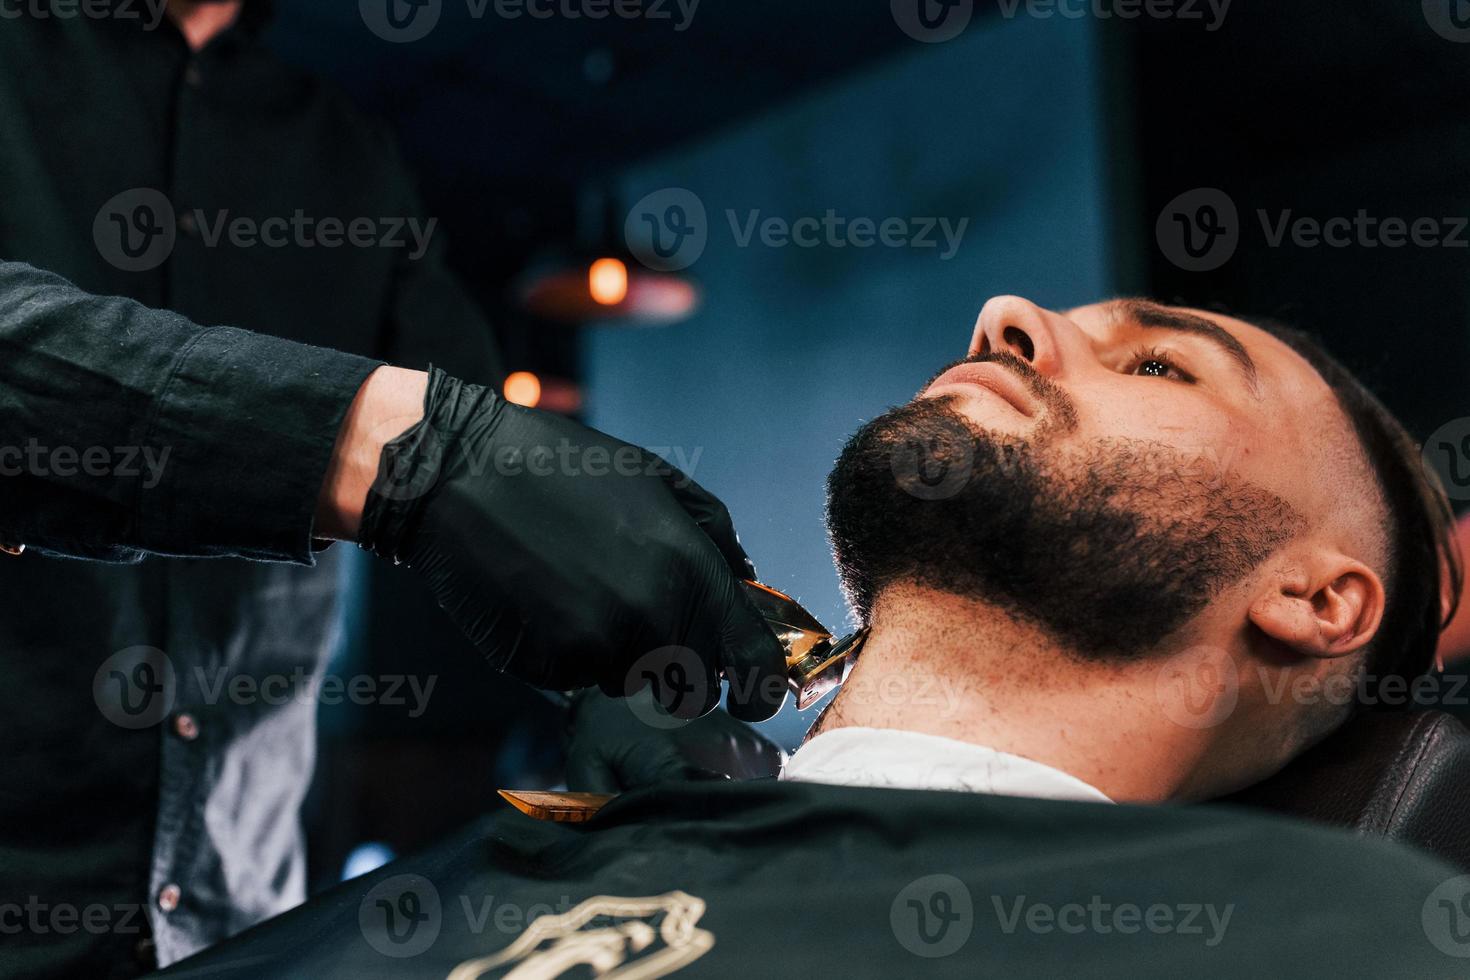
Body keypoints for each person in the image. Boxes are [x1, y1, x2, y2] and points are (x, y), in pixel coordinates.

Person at [150, 296, 1469, 976]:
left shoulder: (1328, 936)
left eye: (1157, 365)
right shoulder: (536, 857)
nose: (1008, 315)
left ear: (1313, 599)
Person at [0, 1, 780, 974]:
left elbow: (493, 445)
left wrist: (620, 641)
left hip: (245, 917)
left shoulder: (345, 155)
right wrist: (421, 453)